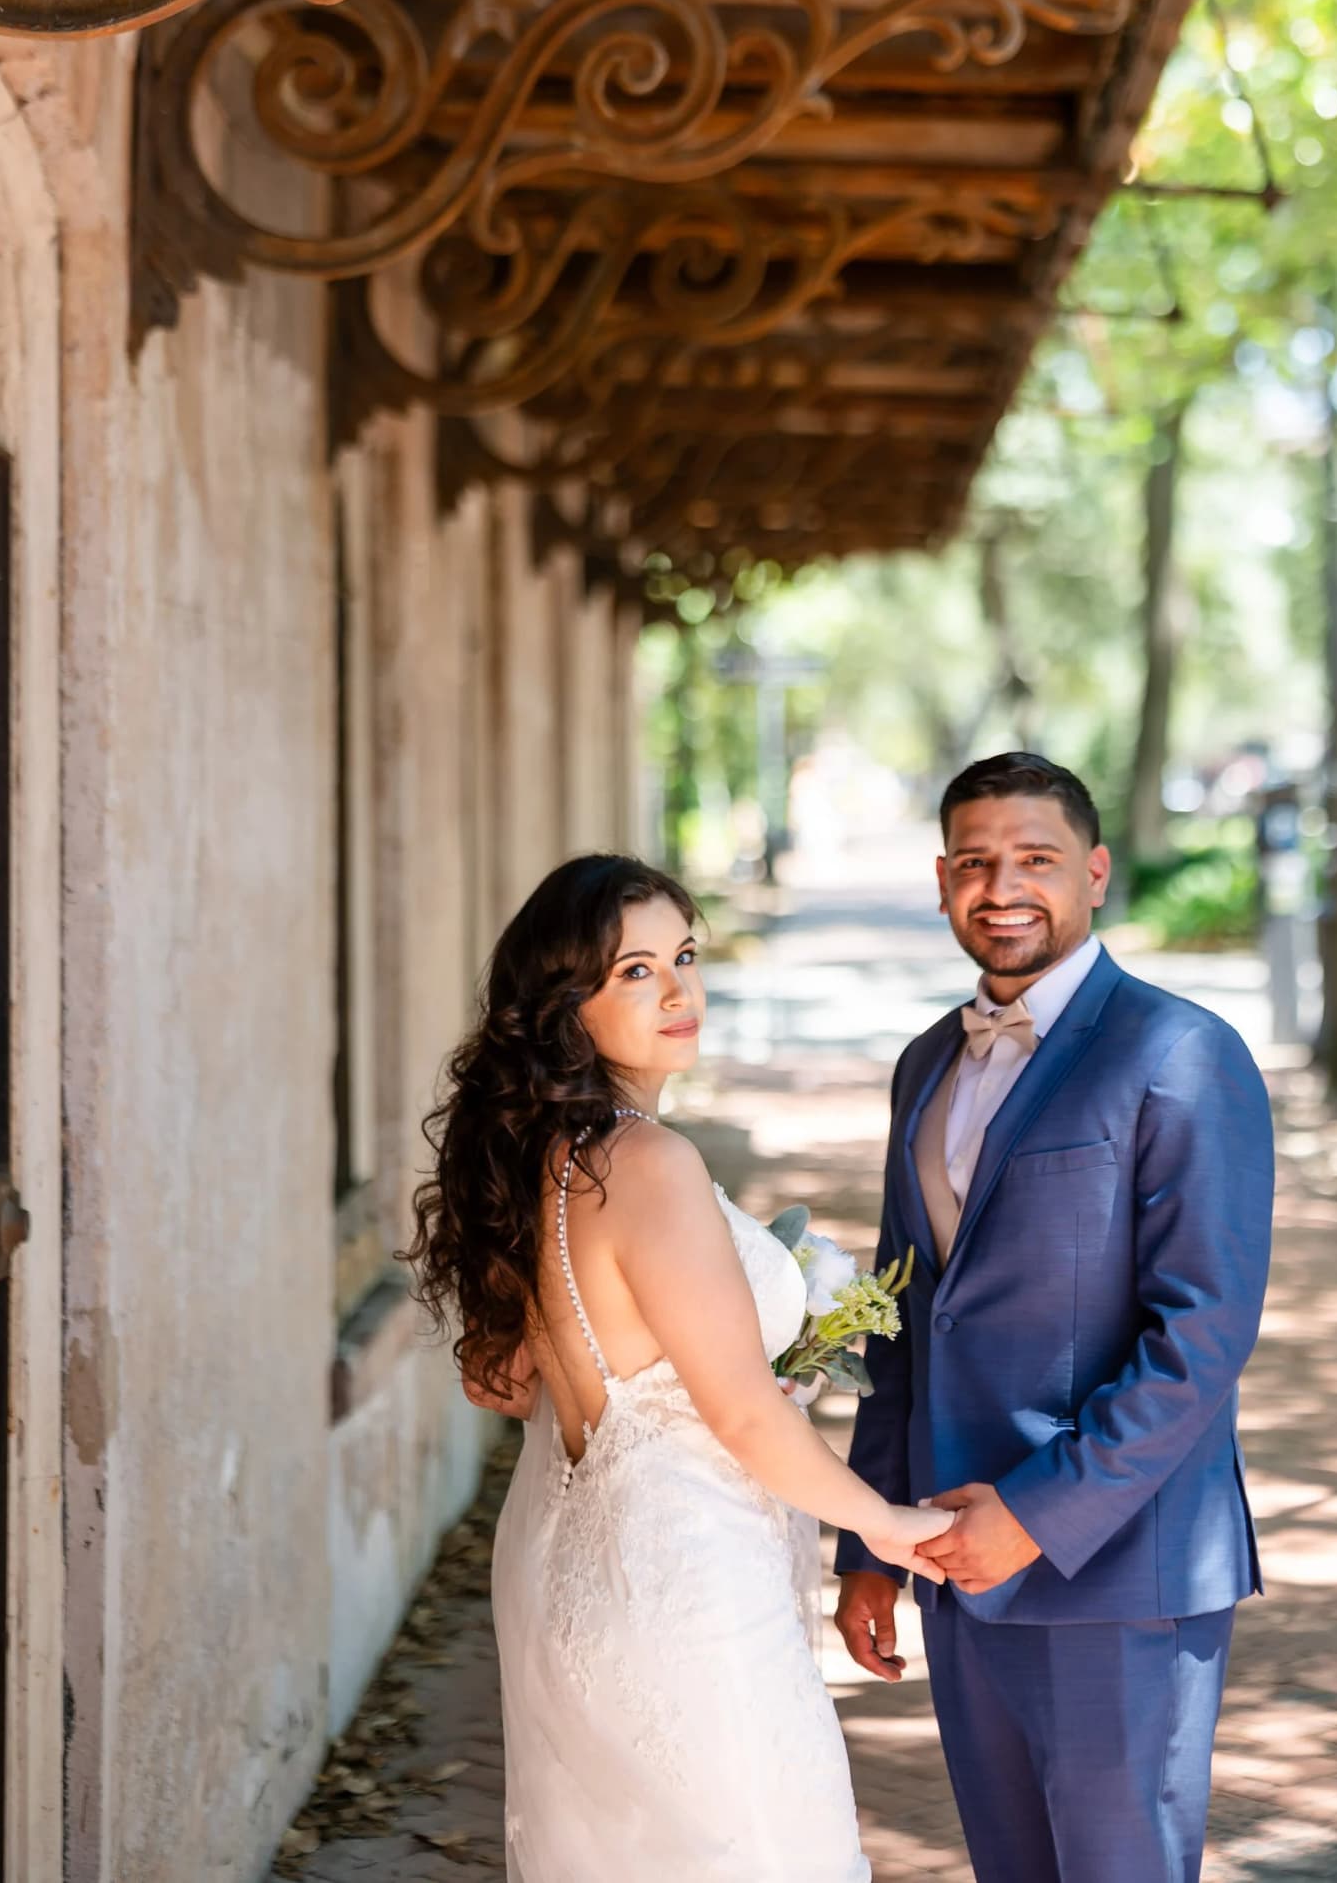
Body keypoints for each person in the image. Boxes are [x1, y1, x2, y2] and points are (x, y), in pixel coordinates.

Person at [409, 853, 948, 1883]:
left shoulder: (540, 1159)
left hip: (569, 1564)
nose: (677, 991)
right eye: (635, 971)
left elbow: (507, 1380)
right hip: (687, 1579)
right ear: (565, 1006)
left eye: (685, 957)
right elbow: (742, 1416)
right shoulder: (649, 1163)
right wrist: (890, 1525)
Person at [833, 751, 1275, 1883]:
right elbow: (901, 1318)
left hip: (1116, 1570)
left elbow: (1203, 1335)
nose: (1003, 889)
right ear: (943, 880)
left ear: (1096, 871)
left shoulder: (1180, 1052)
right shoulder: (926, 1063)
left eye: (1036, 858)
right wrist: (871, 1545)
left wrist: (1034, 1514)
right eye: (975, 863)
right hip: (953, 1562)